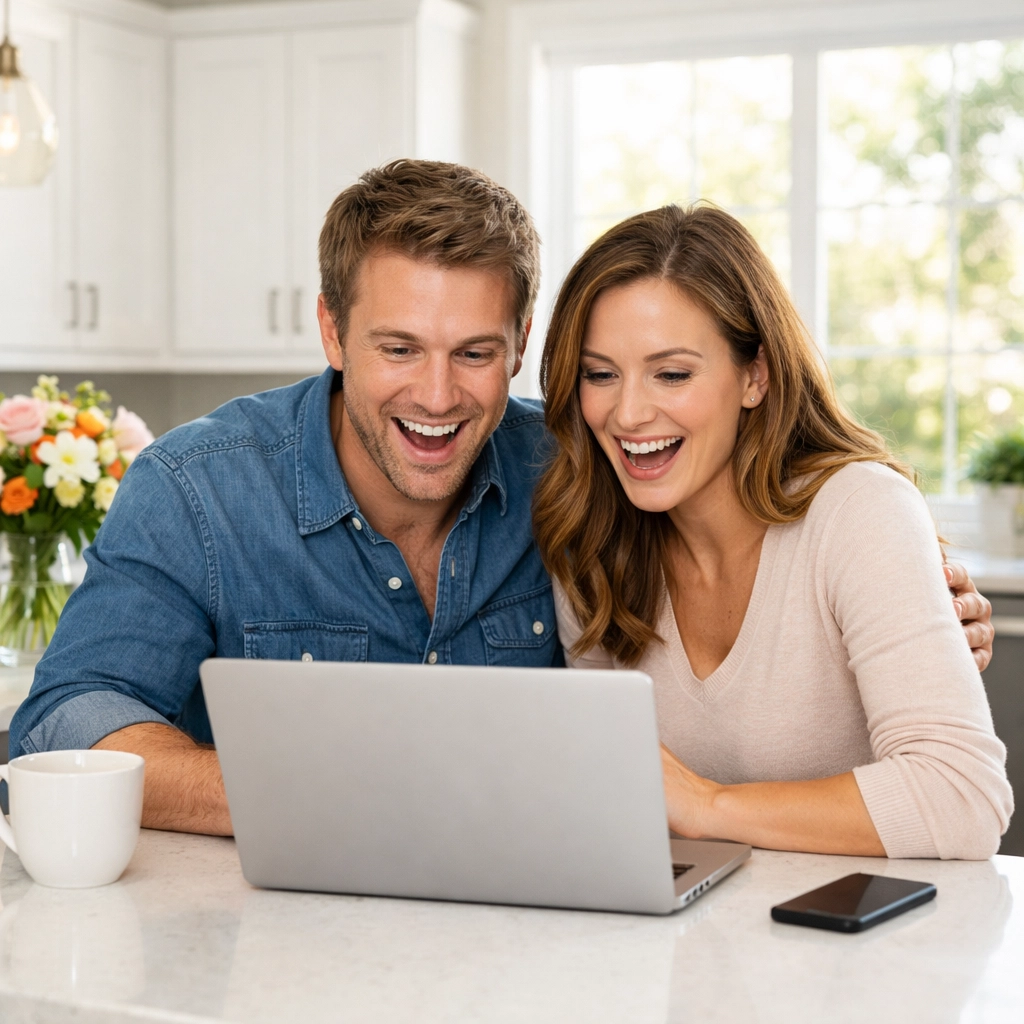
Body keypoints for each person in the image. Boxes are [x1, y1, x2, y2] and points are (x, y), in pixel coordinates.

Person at [9, 163, 994, 839]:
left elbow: (782, 491)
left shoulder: (574, 474)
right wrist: (336, 792)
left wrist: (907, 591)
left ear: (519, 345)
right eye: (398, 347)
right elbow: (61, 723)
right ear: (330, 329)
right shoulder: (199, 486)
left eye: (474, 353)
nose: (436, 397)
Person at [533, 204, 1013, 859]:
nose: (629, 412)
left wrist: (706, 806)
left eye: (672, 373)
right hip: (687, 943)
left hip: (871, 945)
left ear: (754, 375)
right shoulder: (589, 545)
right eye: (600, 374)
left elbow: (963, 800)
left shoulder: (859, 512)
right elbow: (608, 802)